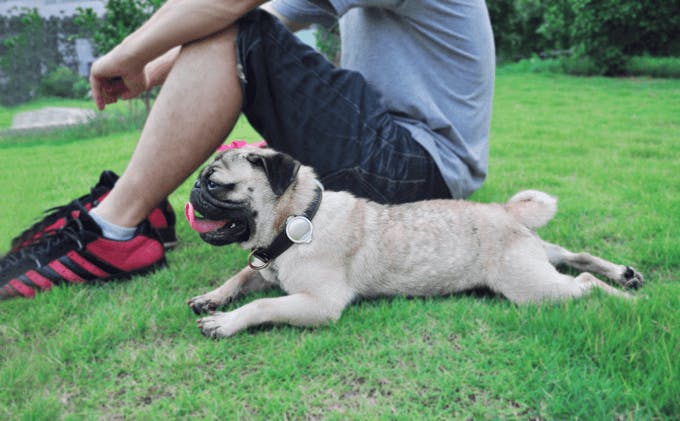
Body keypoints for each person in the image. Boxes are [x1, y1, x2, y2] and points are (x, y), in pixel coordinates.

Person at [0, 0, 495, 299]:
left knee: (243, 30)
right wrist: (148, 72)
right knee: (238, 26)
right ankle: (138, 206)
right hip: (403, 161)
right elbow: (264, 11)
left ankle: (112, 229)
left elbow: (235, 13)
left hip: (416, 168)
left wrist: (130, 52)